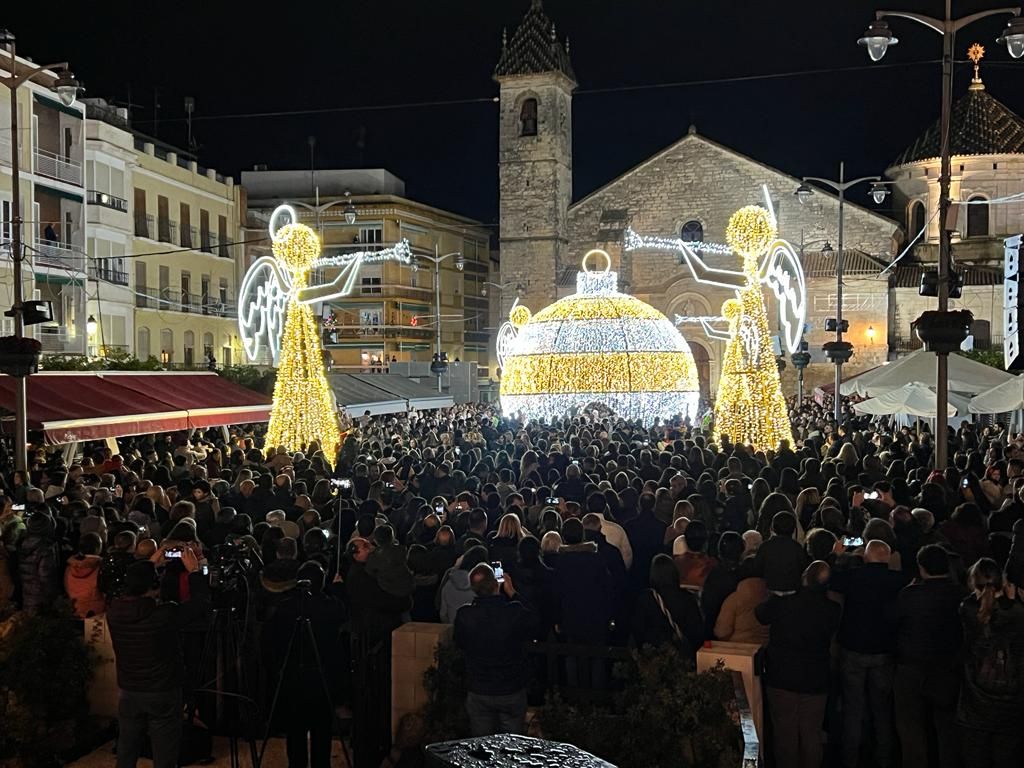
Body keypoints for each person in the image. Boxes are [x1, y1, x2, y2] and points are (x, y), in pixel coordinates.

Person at [107, 550, 210, 768]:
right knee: (165, 753)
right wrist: (194, 571)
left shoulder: (114, 610)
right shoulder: (164, 614)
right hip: (162, 690)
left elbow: (130, 590)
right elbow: (200, 602)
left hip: (129, 689)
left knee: (127, 746)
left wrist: (149, 564)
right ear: (155, 586)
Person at [830, 539, 908, 768]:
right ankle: (884, 758)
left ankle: (849, 759)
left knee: (853, 708)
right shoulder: (898, 581)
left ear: (865, 555)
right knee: (882, 708)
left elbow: (830, 580)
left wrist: (836, 556)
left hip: (854, 648)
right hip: (884, 651)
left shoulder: (855, 577)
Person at [756, 560, 841, 768]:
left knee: (785, 733)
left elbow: (760, 614)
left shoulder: (783, 603)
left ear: (803, 578)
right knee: (812, 733)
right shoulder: (833, 610)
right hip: (816, 678)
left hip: (782, 675)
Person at [262, 561, 346, 768]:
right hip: (322, 678)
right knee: (321, 731)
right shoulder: (330, 605)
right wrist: (338, 589)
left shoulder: (284, 607)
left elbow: (269, 641)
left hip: (294, 679)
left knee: (296, 732)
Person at [893, 545, 965, 768]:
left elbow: (894, 622)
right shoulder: (960, 595)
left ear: (921, 568)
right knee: (946, 728)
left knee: (910, 726)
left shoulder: (910, 595)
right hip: (947, 667)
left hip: (911, 666)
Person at [453, 564, 538, 737]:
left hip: (479, 687)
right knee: (512, 748)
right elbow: (535, 622)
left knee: (482, 747)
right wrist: (512, 591)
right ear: (495, 584)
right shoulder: (513, 612)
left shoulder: (465, 615)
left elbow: (459, 643)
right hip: (510, 687)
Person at [957, 558, 1024, 768]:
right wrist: (1014, 602)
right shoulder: (1018, 613)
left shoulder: (967, 610)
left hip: (975, 699)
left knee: (975, 756)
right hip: (1012, 700)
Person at [630, 554, 703, 659]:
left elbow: (638, 630)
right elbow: (696, 632)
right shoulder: (688, 598)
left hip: (654, 659)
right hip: (682, 657)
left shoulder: (646, 598)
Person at [752, 511, 809, 595]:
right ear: (793, 529)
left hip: (769, 591)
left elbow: (756, 569)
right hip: (792, 592)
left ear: (773, 527)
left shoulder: (765, 546)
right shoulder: (797, 547)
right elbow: (803, 569)